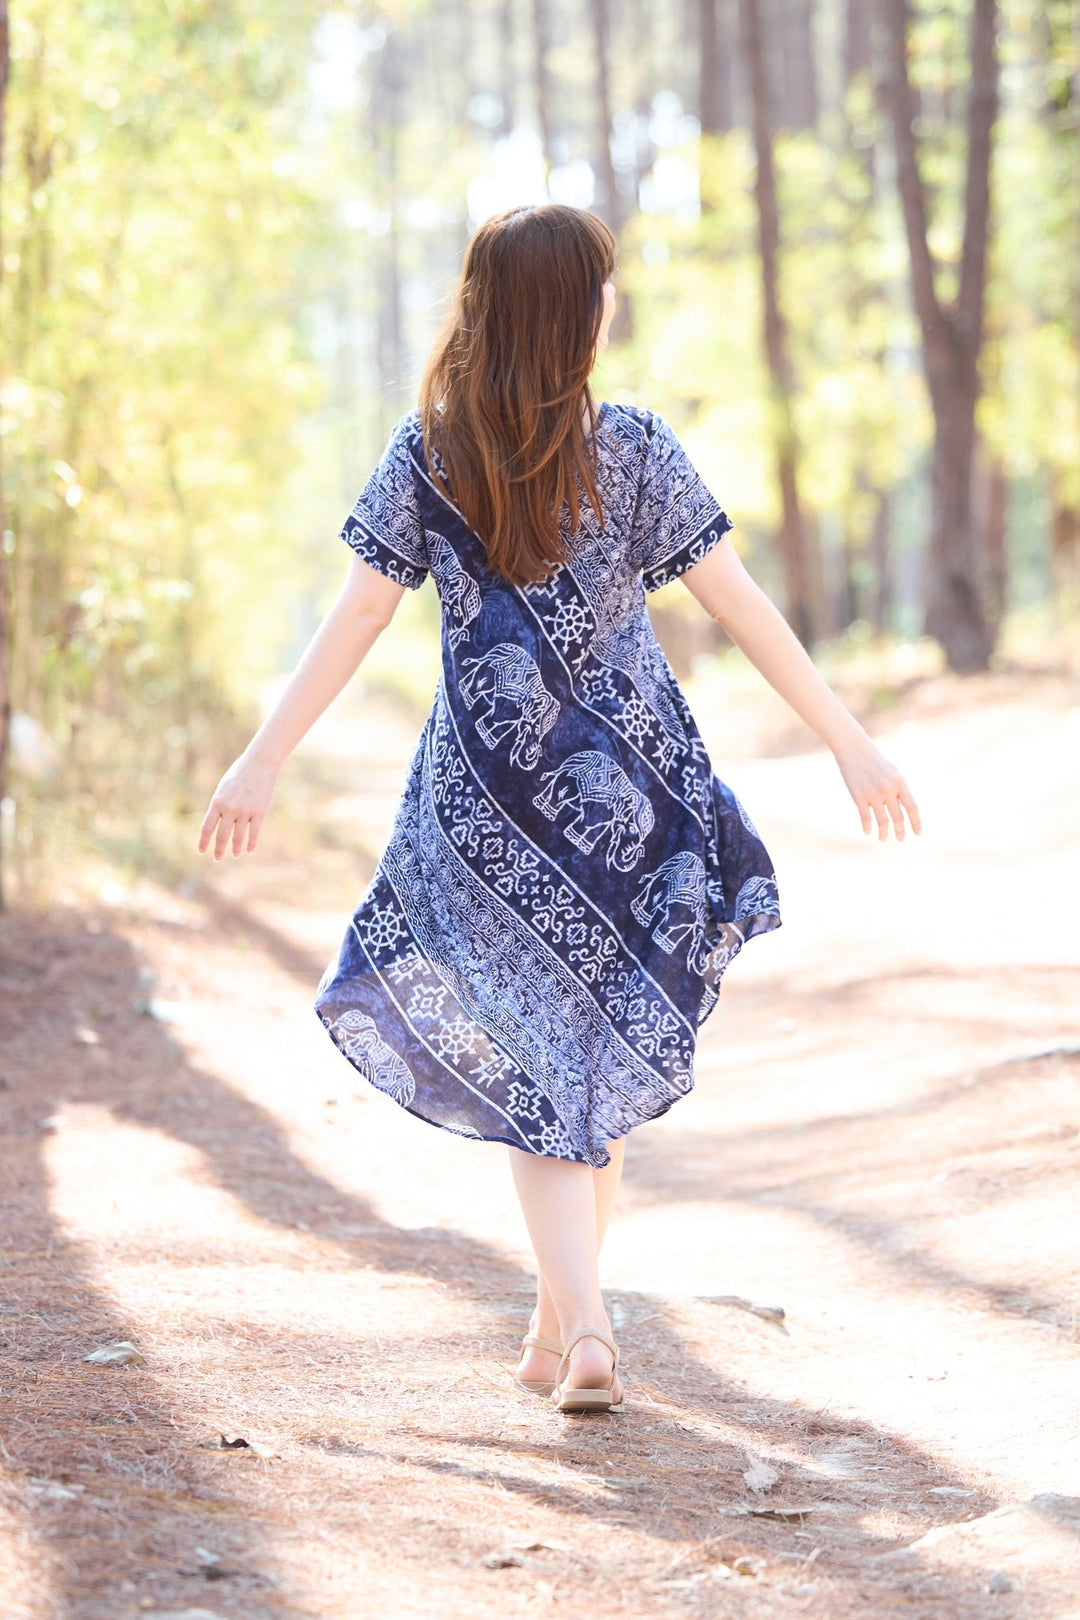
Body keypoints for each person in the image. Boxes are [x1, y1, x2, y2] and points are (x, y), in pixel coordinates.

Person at [197, 203, 921, 1416]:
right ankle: (574, 1325)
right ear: (579, 313)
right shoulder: (632, 445)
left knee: (566, 1062)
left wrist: (261, 756)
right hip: (632, 799)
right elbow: (739, 607)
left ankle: (568, 1328)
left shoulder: (431, 450)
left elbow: (359, 615)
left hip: (488, 809)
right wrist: (847, 739)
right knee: (580, 1061)